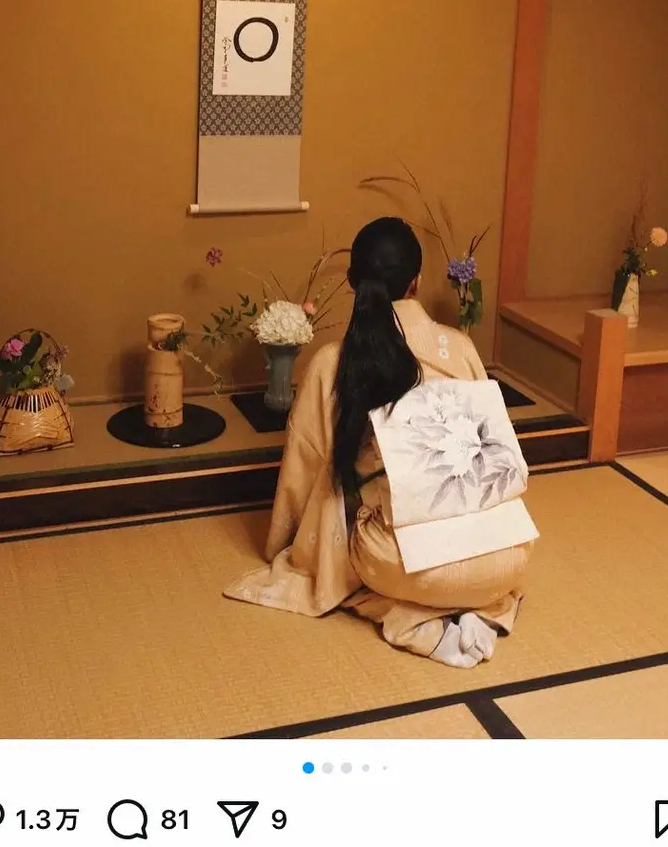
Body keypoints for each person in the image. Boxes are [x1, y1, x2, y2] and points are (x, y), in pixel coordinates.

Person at [224, 216, 534, 669]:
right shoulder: (460, 346)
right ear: (416, 281)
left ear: (354, 283)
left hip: (405, 565)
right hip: (507, 557)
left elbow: (305, 465)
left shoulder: (335, 362)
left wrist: (283, 543)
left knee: (353, 552)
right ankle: (476, 610)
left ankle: (422, 621)